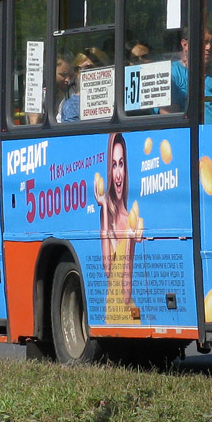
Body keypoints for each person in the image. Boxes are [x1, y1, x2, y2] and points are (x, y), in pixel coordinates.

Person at [95, 132, 142, 324]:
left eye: (121, 163)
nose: (118, 173)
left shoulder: (133, 219)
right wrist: (104, 207)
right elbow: (107, 268)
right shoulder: (107, 215)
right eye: (113, 165)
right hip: (111, 311)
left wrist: (129, 241)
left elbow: (126, 293)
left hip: (126, 312)